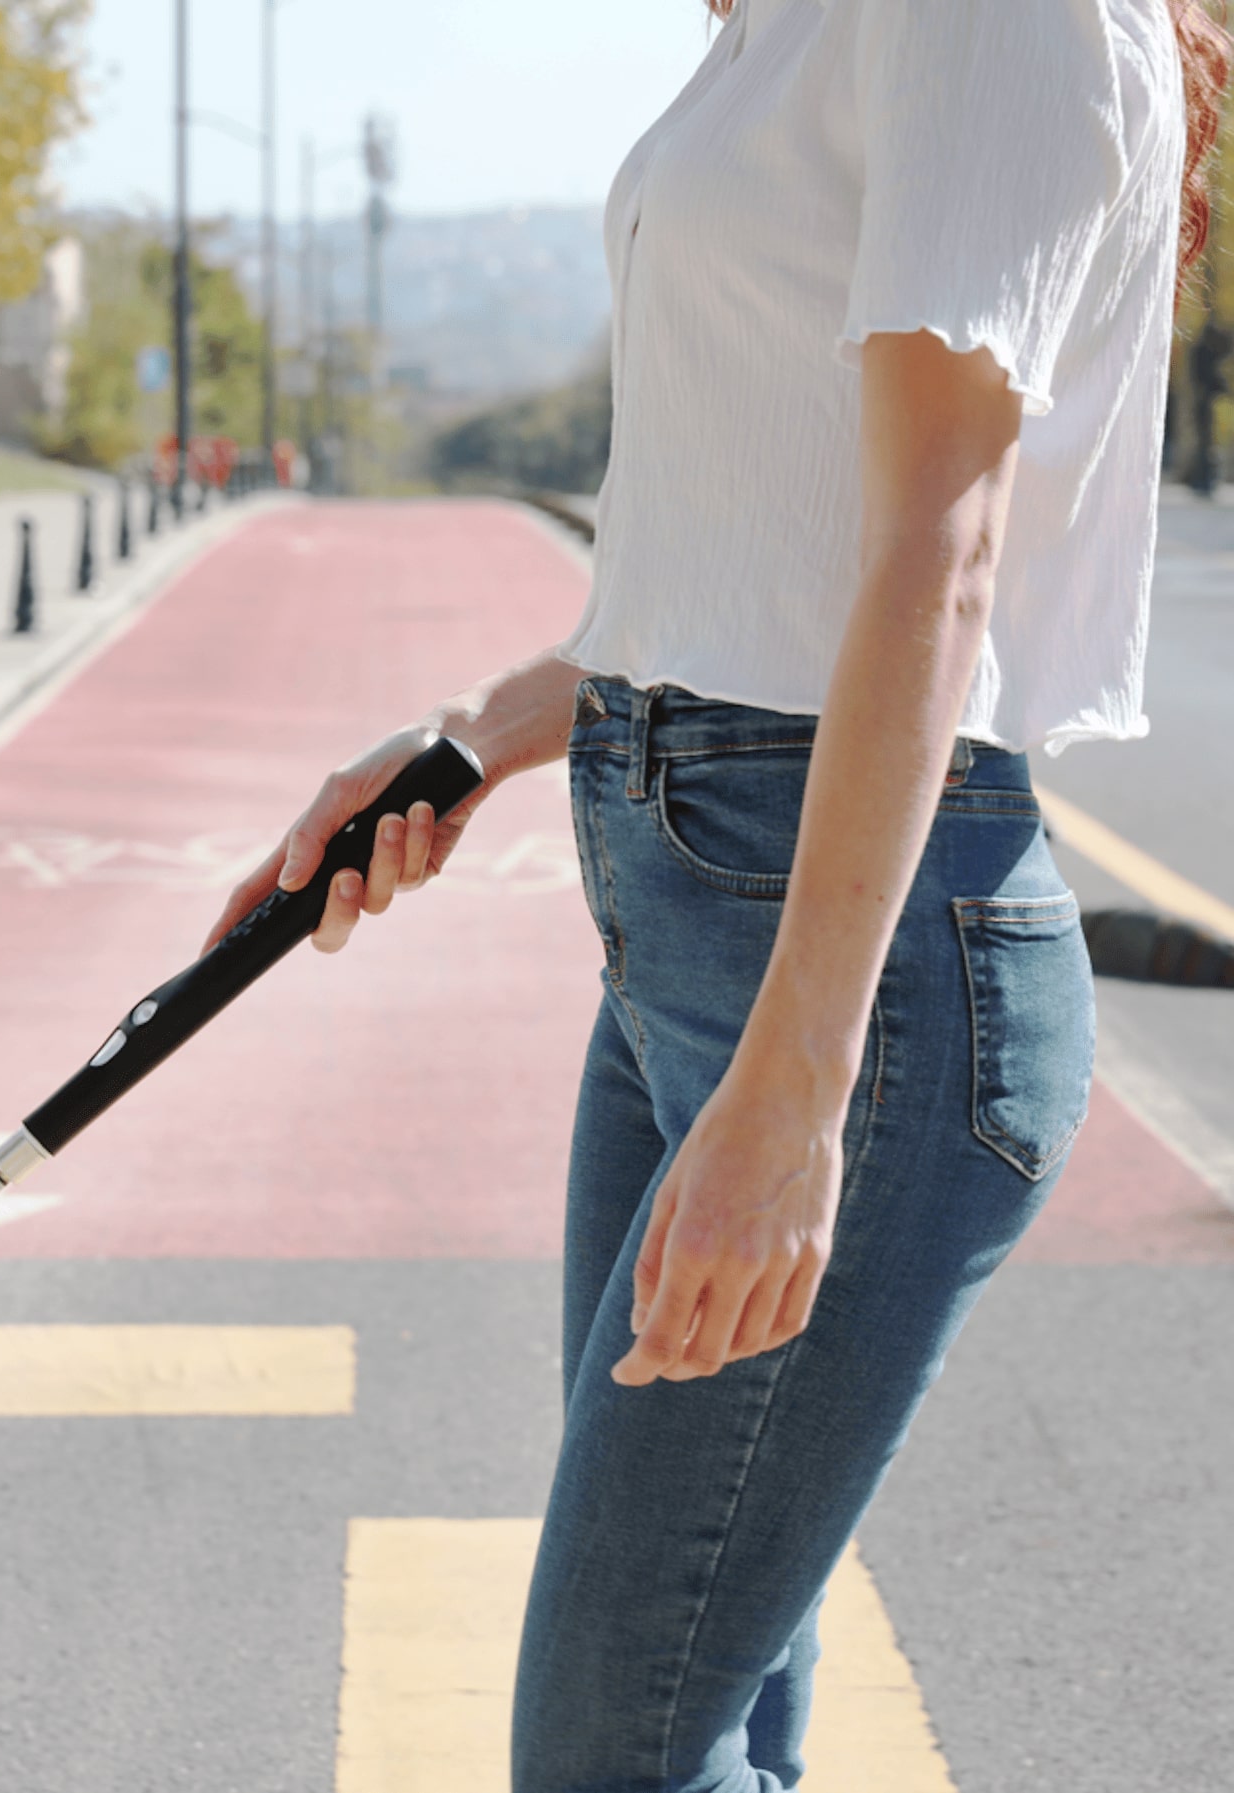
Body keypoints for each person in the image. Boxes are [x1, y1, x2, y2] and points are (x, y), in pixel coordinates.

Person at [204, 2, 1230, 1788]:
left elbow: (939, 552)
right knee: (704, 1697)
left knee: (619, 1740)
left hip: (862, 991)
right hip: (696, 927)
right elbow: (760, 545)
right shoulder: (793, 21)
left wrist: (797, 1091)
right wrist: (472, 736)